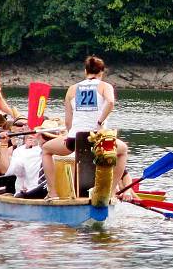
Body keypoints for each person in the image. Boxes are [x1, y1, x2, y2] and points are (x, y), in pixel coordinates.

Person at [41, 56, 128, 199]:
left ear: (85, 71)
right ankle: (111, 192)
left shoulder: (72, 89)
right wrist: (100, 122)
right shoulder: (105, 86)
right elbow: (111, 102)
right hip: (99, 140)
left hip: (75, 140)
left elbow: (68, 122)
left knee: (46, 150)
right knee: (123, 151)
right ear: (102, 72)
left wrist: (69, 135)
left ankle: (52, 192)